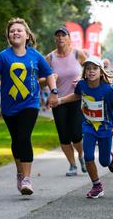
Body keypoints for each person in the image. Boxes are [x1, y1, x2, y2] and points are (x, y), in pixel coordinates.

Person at [0, 17, 58, 195]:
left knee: (24, 137)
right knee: (16, 140)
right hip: (9, 107)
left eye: (19, 30)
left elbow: (48, 74)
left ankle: (26, 178)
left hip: (30, 104)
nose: (15, 32)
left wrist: (54, 91)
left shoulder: (35, 56)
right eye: (12, 31)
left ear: (27, 35)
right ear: (9, 37)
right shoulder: (3, 57)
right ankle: (19, 172)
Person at [52, 56, 113, 199]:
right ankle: (97, 186)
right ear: (85, 71)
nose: (91, 71)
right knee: (88, 157)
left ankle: (109, 156)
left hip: (105, 128)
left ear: (101, 71)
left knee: (103, 162)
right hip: (88, 126)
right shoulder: (82, 85)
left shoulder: (107, 89)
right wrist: (60, 100)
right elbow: (76, 96)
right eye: (88, 68)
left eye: (95, 68)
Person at [46, 26, 87, 176]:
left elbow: (92, 72)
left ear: (69, 38)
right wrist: (50, 79)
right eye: (58, 36)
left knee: (76, 135)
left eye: (63, 35)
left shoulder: (77, 54)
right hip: (57, 101)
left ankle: (81, 156)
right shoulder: (50, 58)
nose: (60, 38)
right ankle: (72, 165)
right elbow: (39, 81)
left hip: (75, 99)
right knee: (64, 136)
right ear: (55, 39)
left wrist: (82, 80)